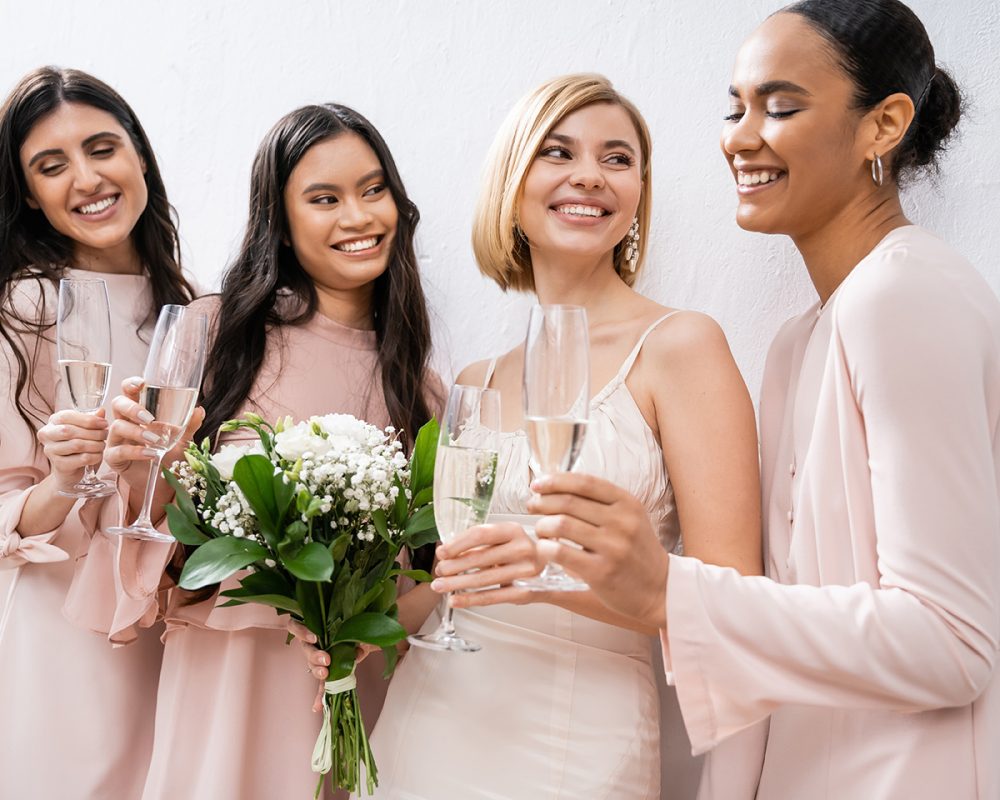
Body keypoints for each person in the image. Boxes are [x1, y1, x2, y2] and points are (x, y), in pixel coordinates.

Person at [502, 3, 1000, 798]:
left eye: (781, 106)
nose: (739, 137)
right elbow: (782, 616)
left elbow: (953, 642)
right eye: (735, 108)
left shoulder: (906, 294)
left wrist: (668, 588)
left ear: (883, 126)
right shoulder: (798, 342)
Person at [364, 74, 762, 798]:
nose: (590, 175)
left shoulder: (681, 347)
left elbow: (735, 601)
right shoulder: (477, 380)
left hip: (578, 742)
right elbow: (446, 585)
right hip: (429, 722)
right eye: (558, 152)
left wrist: (545, 579)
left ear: (638, 194)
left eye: (618, 158)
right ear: (512, 187)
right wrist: (353, 626)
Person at [101, 102, 443, 799]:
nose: (357, 216)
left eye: (372, 189)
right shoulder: (218, 333)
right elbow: (147, 535)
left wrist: (365, 631)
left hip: (344, 690)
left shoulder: (421, 391)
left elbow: (425, 586)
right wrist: (138, 461)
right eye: (325, 199)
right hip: (225, 673)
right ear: (281, 224)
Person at [0, 67, 196, 798]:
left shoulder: (193, 310)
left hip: (165, 630)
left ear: (139, 152)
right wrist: (62, 479)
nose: (86, 179)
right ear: (29, 193)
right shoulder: (24, 308)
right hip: (61, 639)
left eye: (102, 148)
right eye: (51, 166)